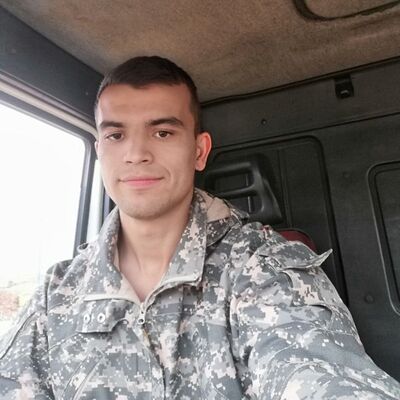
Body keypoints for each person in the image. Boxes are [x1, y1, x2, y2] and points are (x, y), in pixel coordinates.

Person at [0, 56, 399, 400]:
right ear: (100, 150)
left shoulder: (262, 267)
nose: (136, 153)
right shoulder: (57, 293)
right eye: (116, 135)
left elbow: (317, 372)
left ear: (199, 150)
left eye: (162, 132)